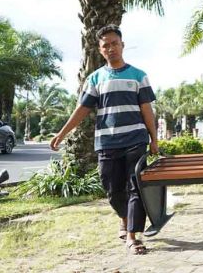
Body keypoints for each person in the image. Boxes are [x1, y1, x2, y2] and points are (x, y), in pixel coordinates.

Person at [50, 25, 158, 255]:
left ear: (122, 45)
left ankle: (132, 236)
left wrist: (154, 139)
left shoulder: (139, 75)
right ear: (100, 50)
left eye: (114, 43)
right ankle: (124, 218)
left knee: (135, 187)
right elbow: (82, 109)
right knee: (111, 190)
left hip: (136, 140)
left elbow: (147, 110)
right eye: (105, 45)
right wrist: (62, 133)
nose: (111, 48)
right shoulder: (96, 78)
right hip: (107, 143)